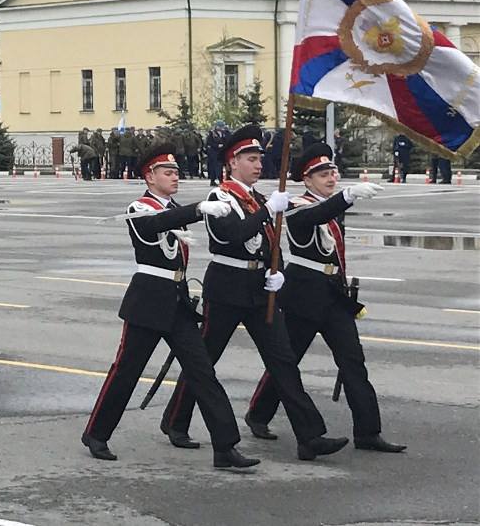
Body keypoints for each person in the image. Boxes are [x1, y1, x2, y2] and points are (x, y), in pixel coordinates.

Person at [159, 124, 349, 461]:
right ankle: (176, 421)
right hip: (227, 289)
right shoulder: (221, 197)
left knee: (284, 362)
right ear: (232, 163)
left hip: (260, 290)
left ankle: (309, 436)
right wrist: (267, 211)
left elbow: (267, 245)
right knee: (204, 361)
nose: (259, 164)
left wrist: (277, 275)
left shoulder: (259, 197)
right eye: (250, 158)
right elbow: (230, 235)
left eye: (260, 158)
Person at [82, 143, 258, 468]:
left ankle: (225, 447)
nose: (175, 176)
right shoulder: (139, 207)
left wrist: (197, 211)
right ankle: (96, 433)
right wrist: (197, 209)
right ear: (150, 176)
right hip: (148, 299)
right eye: (168, 172)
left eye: (177, 171)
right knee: (127, 373)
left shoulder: (175, 207)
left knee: (203, 371)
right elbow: (153, 225)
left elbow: (177, 218)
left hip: (176, 300)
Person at [244, 143, 404, 453]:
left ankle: (368, 432)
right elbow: (313, 217)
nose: (330, 178)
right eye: (322, 174)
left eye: (332, 172)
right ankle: (259, 413)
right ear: (306, 179)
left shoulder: (329, 206)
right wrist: (347, 196)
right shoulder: (297, 206)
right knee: (287, 362)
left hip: (333, 294)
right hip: (303, 295)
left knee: (353, 362)